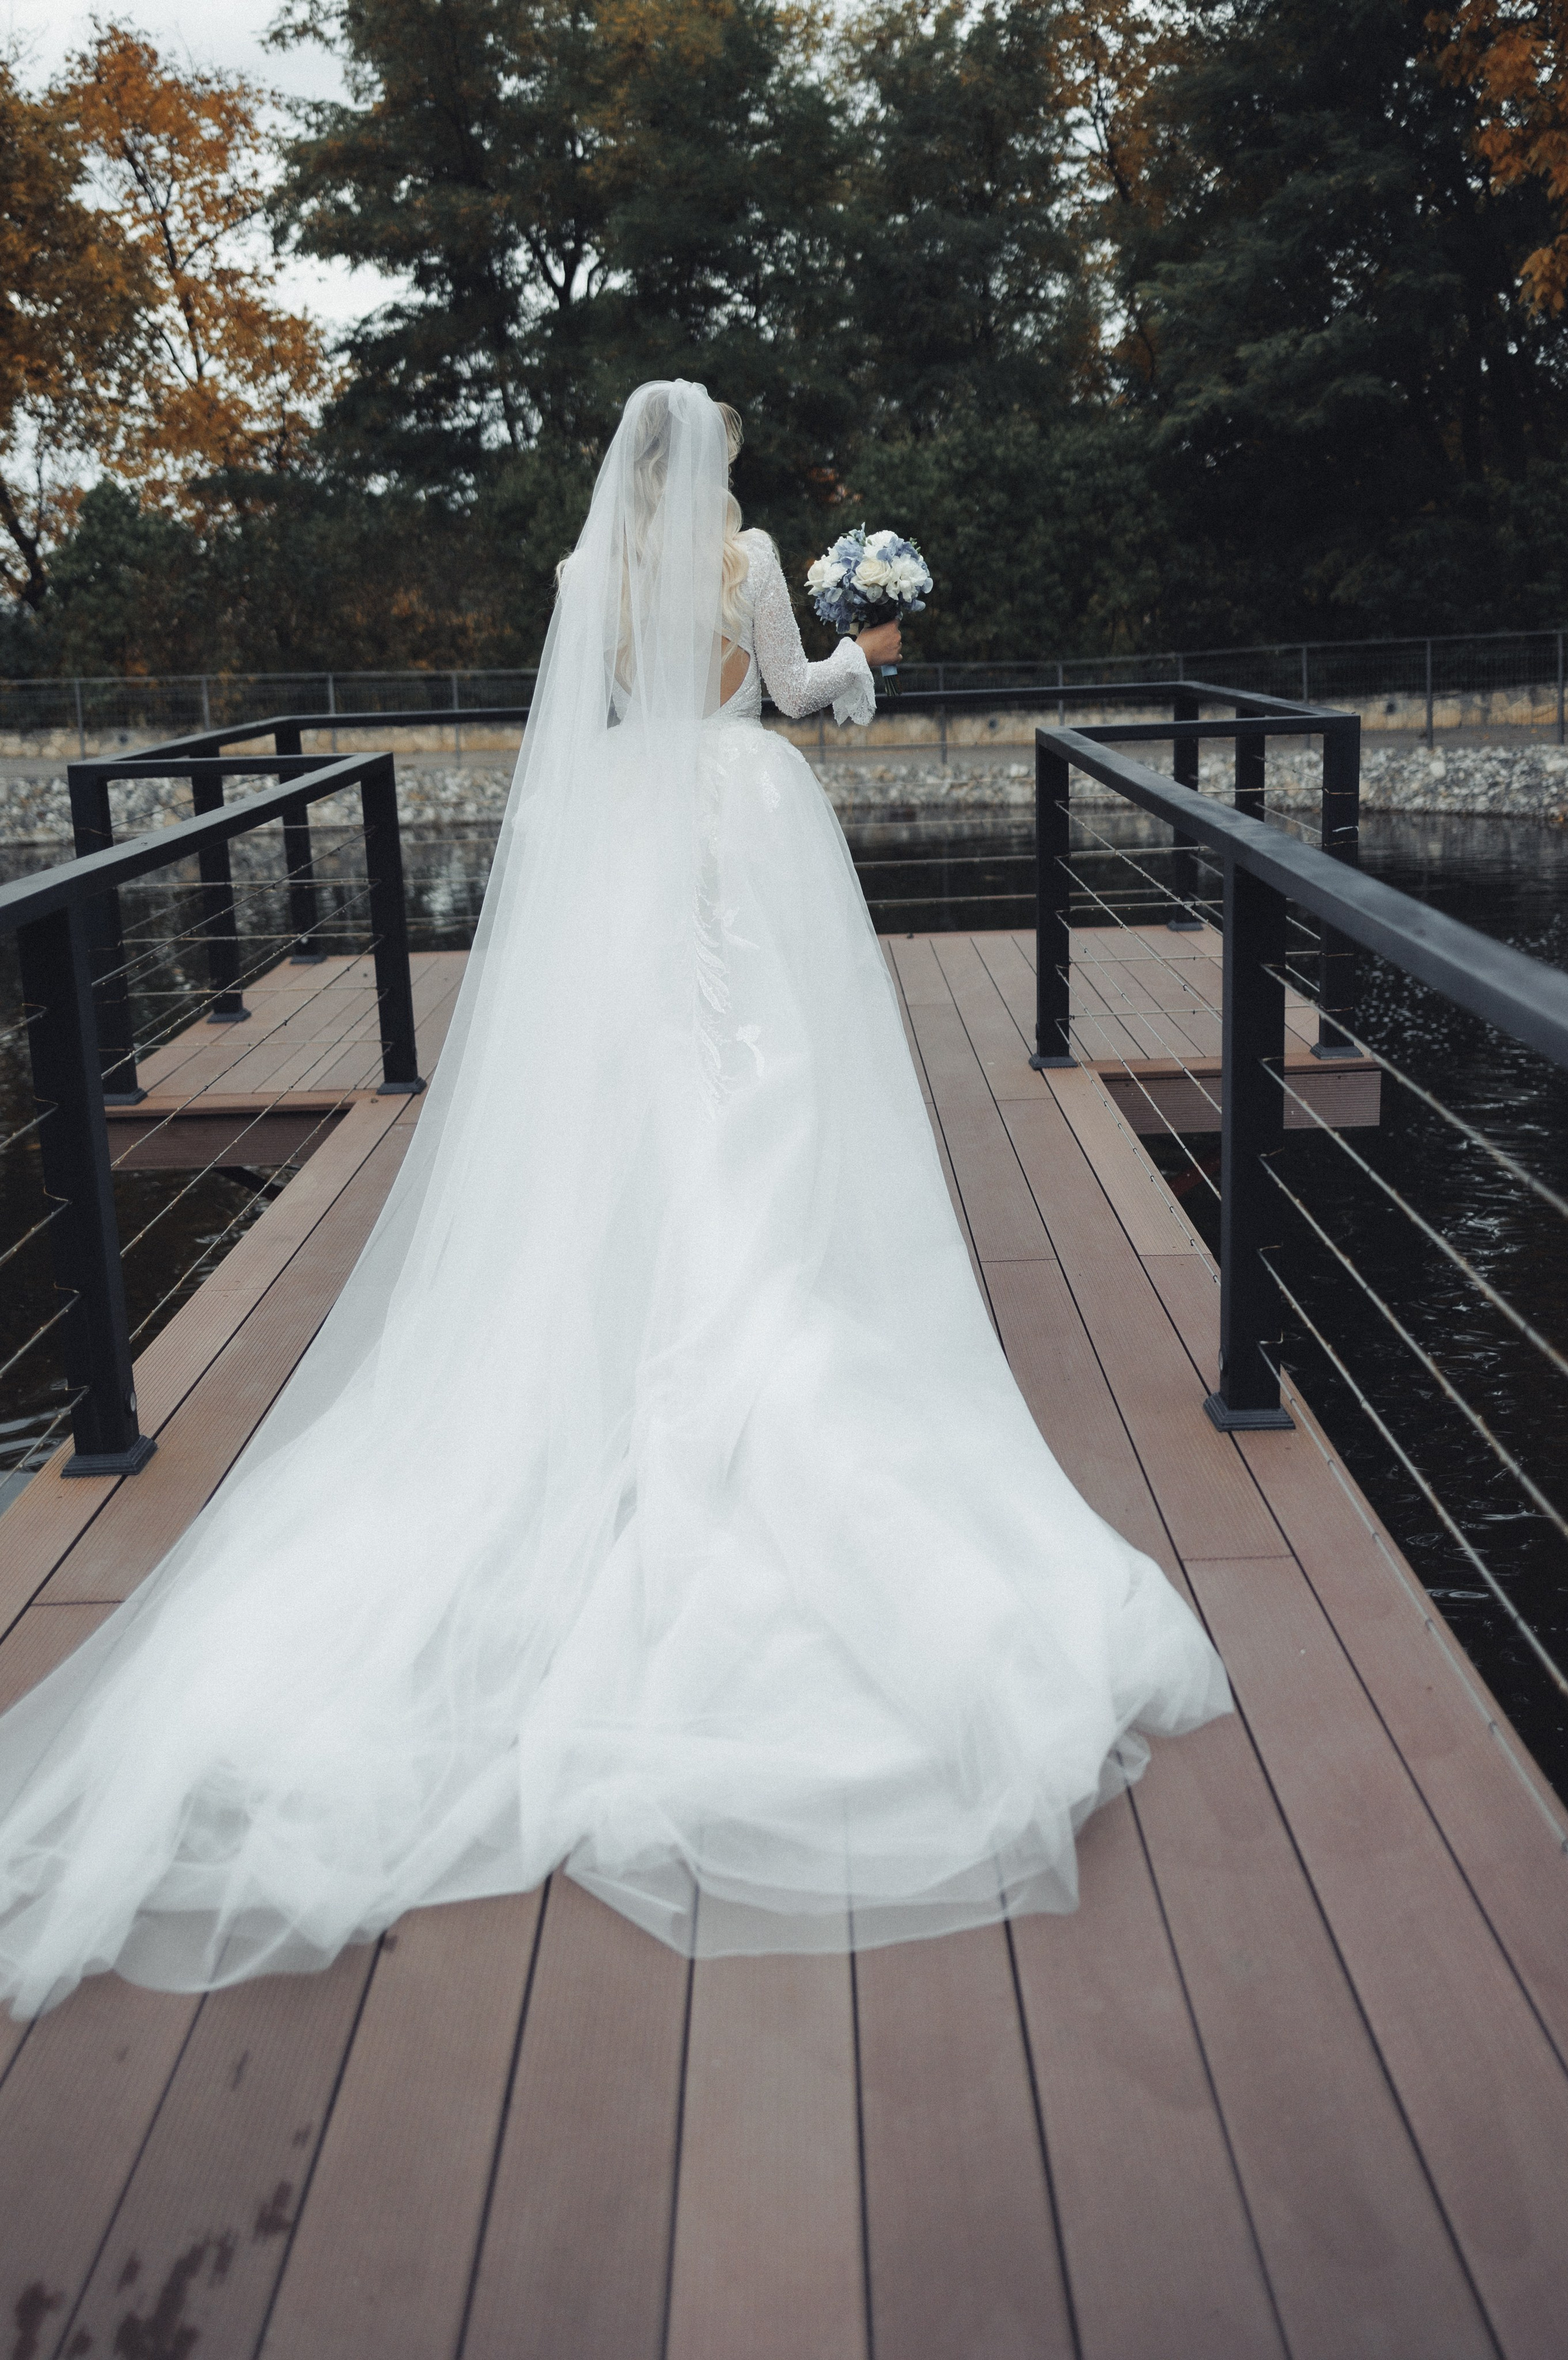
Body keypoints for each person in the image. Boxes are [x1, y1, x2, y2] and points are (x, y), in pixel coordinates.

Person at [0, 382, 1229, 2017]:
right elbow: (800, 700)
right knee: (771, 1091)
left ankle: (621, 1312)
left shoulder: (588, 584)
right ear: (714, 464)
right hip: (742, 824)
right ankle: (766, 1316)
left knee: (628, 1098)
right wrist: (878, 653)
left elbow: (568, 755)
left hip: (625, 850)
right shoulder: (755, 561)